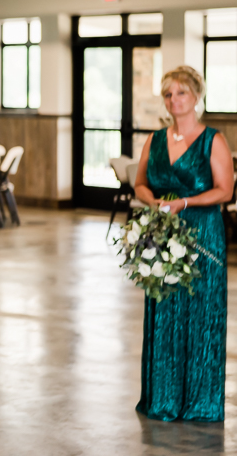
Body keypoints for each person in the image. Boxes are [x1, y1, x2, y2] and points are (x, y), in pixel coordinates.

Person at [133, 65, 233, 422]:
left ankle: (200, 401)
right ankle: (163, 397)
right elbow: (140, 183)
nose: (174, 100)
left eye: (181, 93)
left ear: (196, 96)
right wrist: (153, 202)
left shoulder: (213, 140)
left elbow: (225, 191)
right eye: (168, 94)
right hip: (163, 233)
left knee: (201, 313)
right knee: (165, 311)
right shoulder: (155, 140)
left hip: (203, 235)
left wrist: (185, 203)